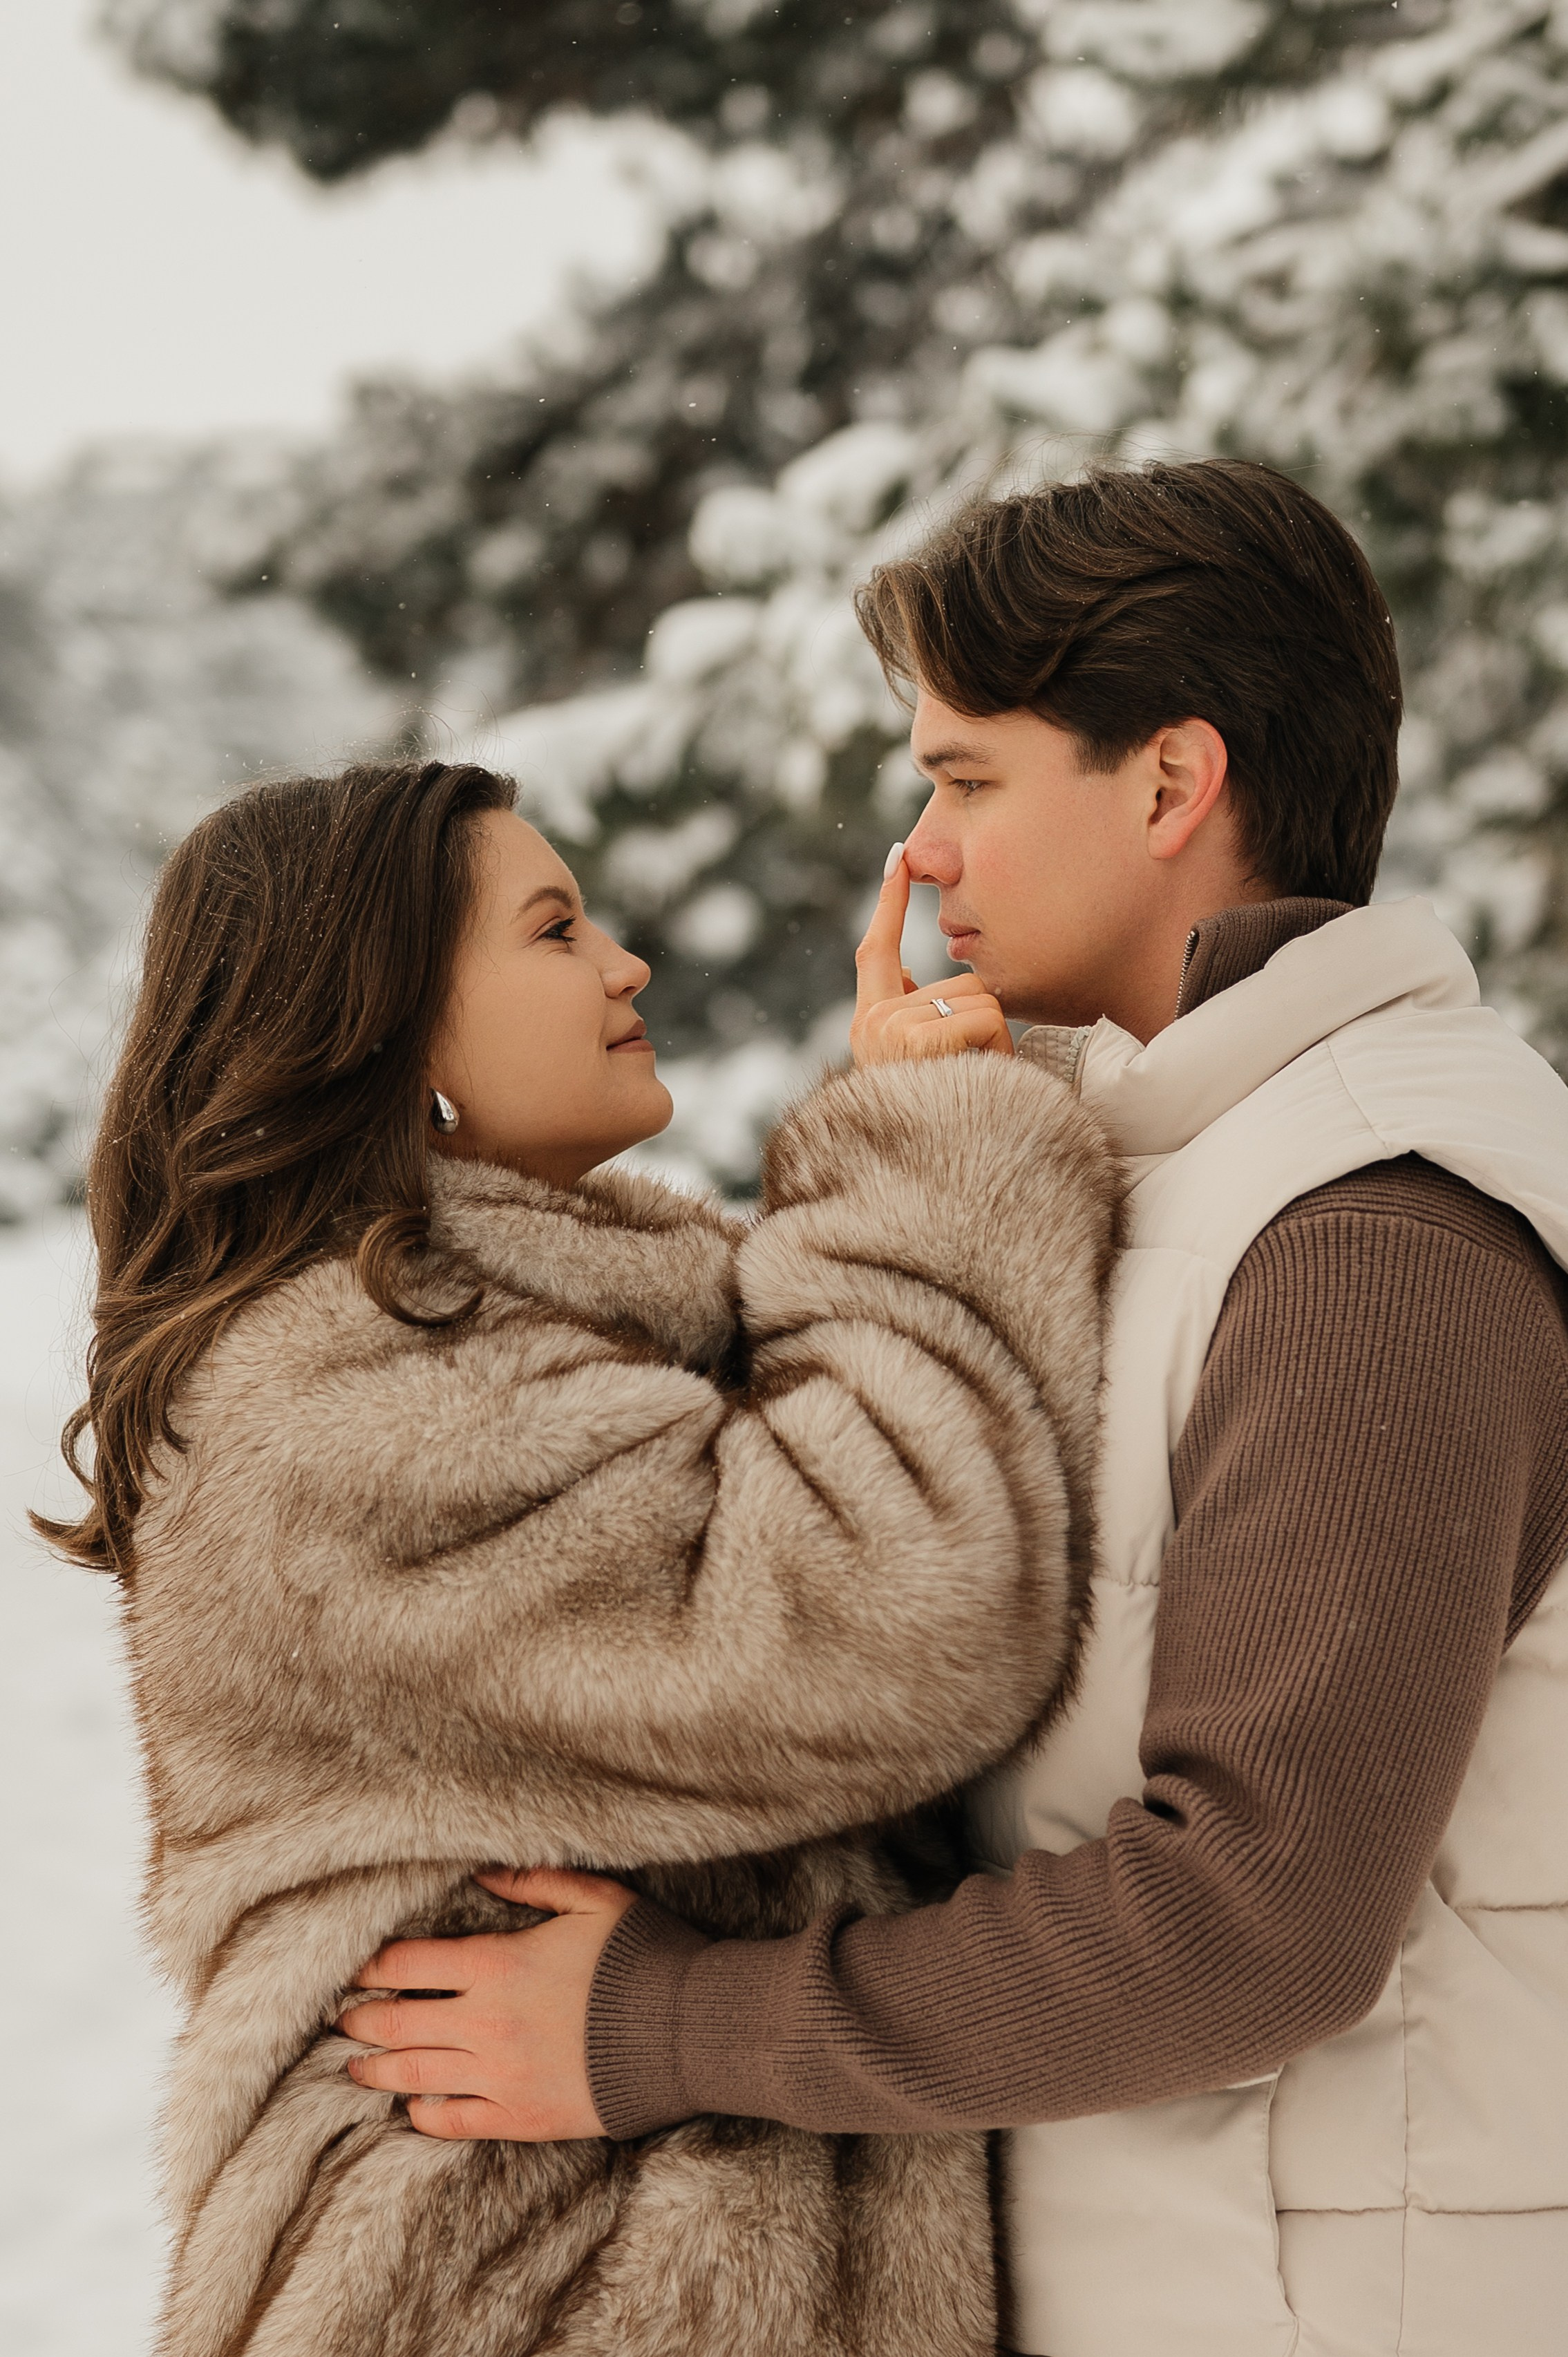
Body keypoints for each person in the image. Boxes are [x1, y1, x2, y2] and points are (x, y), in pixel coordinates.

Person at [377, 461, 1568, 2357]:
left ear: (1169, 783)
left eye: (962, 780)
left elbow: (1255, 1915)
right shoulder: (1171, 1169)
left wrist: (664, 2024)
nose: (917, 852)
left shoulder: (1370, 1236)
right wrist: (936, 1150)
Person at [41, 759, 1116, 2357]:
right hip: (527, 2273)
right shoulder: (348, 1409)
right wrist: (936, 1146)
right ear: (397, 1036)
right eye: (553, 929)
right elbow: (894, 1611)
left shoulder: (513, 1341)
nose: (626, 963)